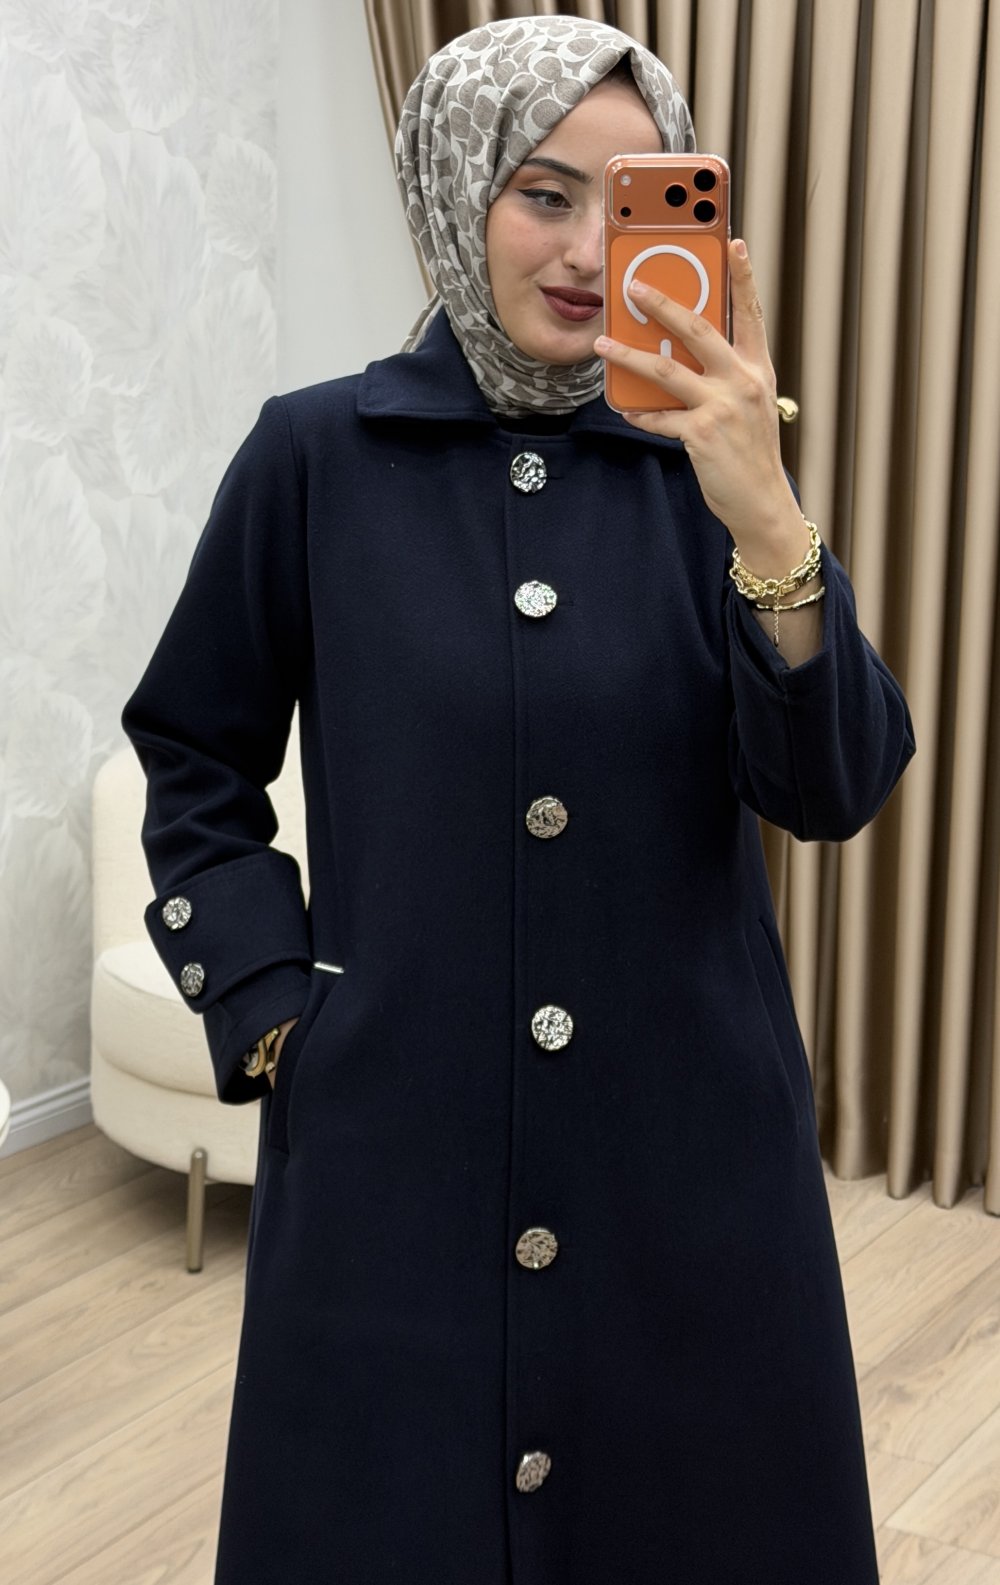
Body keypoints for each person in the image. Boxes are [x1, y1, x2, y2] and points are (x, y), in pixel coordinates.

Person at [121, 15, 914, 1584]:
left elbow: (829, 790)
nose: (585, 251)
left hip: (686, 1158)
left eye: (628, 207)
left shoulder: (705, 466)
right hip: (395, 1151)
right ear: (456, 185)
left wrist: (768, 515)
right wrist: (272, 1010)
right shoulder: (314, 457)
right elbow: (194, 746)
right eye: (543, 194)